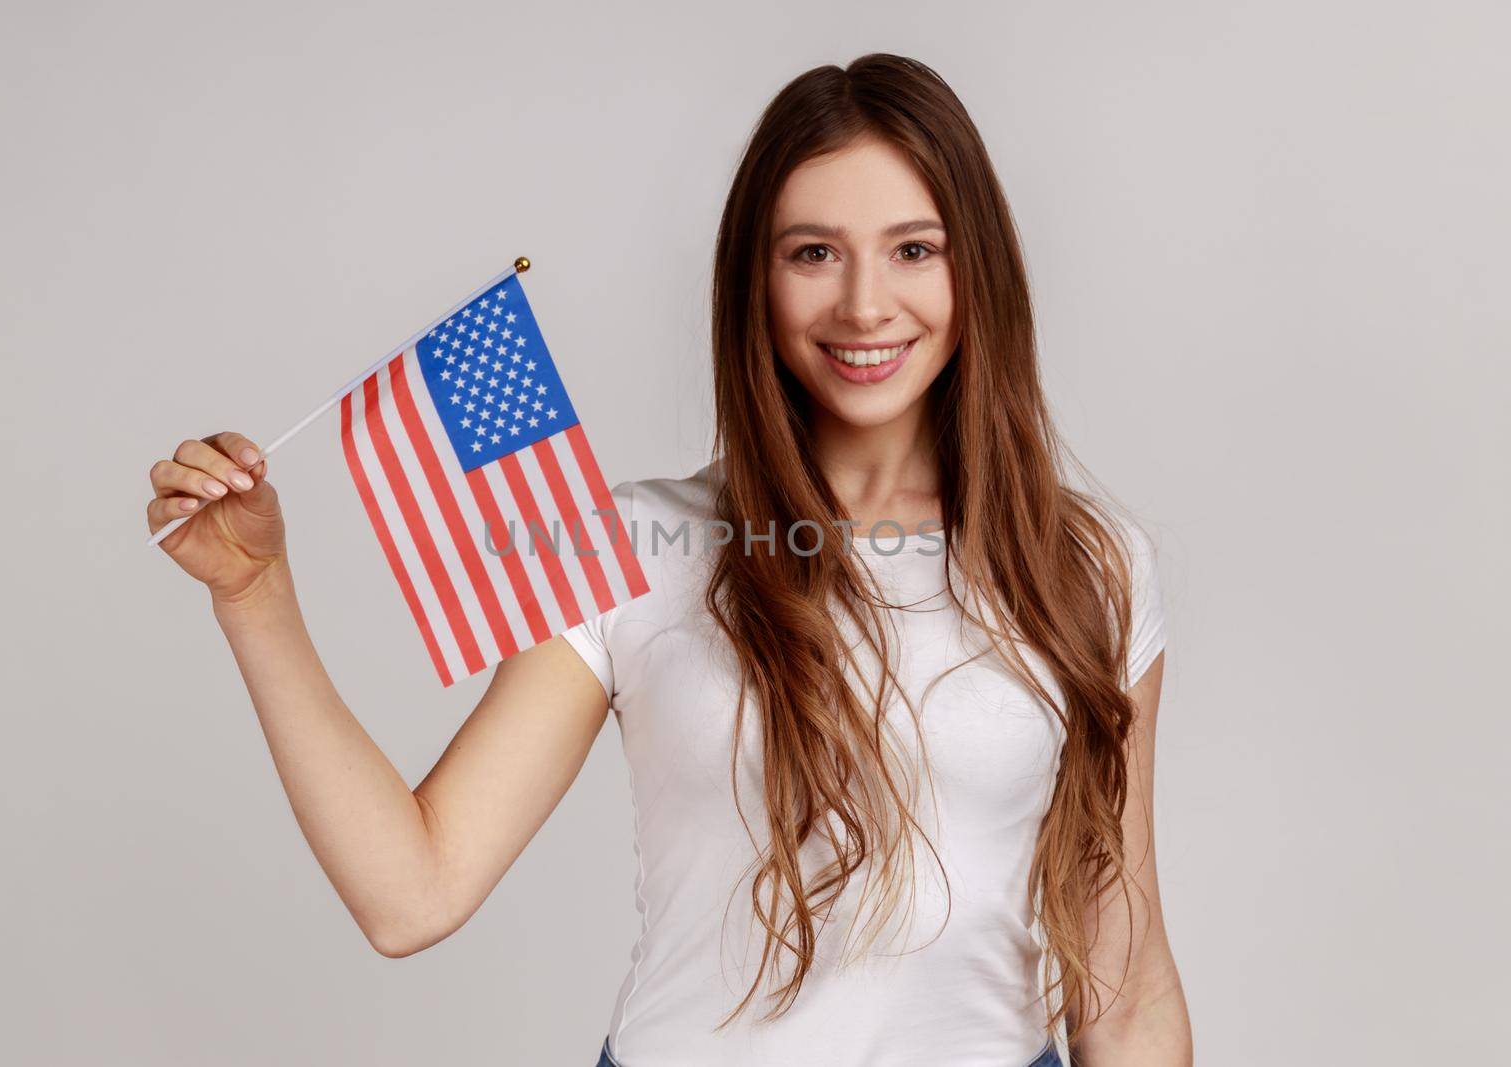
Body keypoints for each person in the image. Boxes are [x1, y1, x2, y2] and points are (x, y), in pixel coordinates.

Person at [144, 53, 1192, 1067]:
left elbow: (1127, 982)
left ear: (980, 268)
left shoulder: (1089, 568)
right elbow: (411, 892)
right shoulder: (632, 548)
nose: (865, 305)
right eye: (812, 252)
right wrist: (255, 594)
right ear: (756, 279)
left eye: (914, 248)